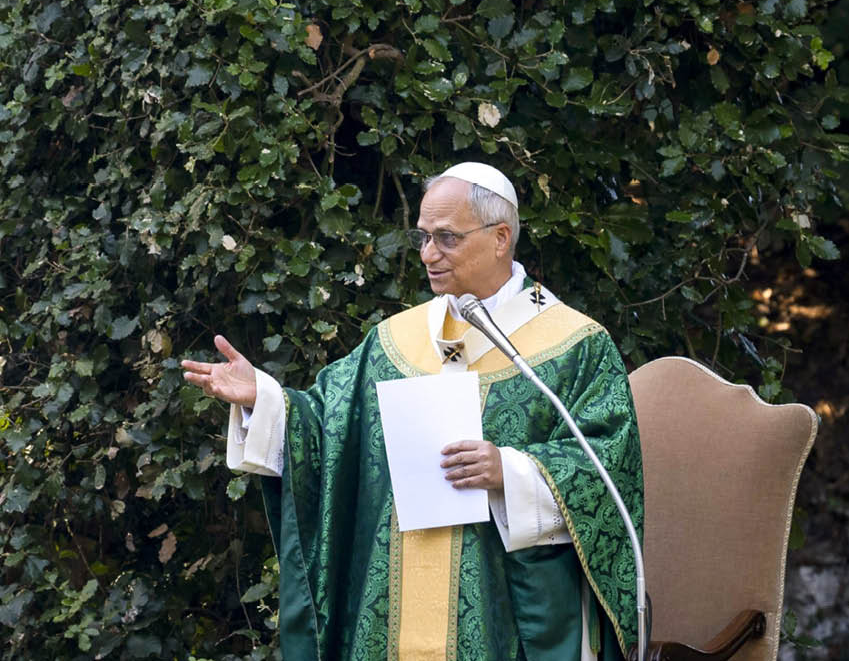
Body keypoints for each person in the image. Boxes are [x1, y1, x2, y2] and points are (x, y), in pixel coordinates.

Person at [183, 162, 644, 661]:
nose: (428, 254)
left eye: (446, 238)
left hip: (507, 611)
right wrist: (266, 400)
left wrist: (510, 471)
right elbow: (326, 429)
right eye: (422, 237)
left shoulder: (574, 345)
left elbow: (609, 467)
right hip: (389, 605)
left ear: (500, 238)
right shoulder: (393, 342)